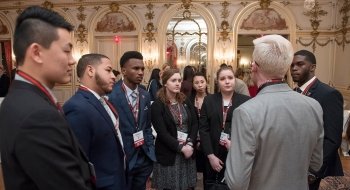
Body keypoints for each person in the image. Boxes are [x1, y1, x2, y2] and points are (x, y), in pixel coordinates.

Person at [0, 6, 94, 190]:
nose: (72, 60)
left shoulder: (19, 98)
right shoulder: (37, 116)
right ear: (36, 52)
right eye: (66, 51)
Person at [225, 35, 324, 190]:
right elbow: (316, 164)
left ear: (254, 67)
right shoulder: (314, 106)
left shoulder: (245, 112)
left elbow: (237, 183)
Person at [63, 53, 127, 190]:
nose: (113, 76)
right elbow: (77, 164)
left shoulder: (101, 101)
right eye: (108, 70)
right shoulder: (77, 108)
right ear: (90, 70)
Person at [291, 49, 344, 190]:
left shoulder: (329, 94)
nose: (294, 68)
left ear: (312, 67)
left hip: (319, 170)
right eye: (292, 65)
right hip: (297, 165)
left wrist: (313, 171)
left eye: (300, 64)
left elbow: (332, 139)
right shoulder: (293, 93)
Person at [108, 51, 156, 190]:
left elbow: (147, 126)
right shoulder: (112, 95)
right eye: (135, 68)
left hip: (143, 158)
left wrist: (149, 150)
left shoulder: (145, 95)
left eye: (142, 69)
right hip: (123, 159)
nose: (141, 72)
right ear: (124, 70)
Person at [199, 66, 250, 187]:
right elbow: (203, 129)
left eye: (230, 78)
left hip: (235, 153)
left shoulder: (246, 101)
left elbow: (248, 131)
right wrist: (210, 156)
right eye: (223, 78)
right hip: (212, 153)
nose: (227, 81)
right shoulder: (209, 100)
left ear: (235, 80)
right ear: (217, 81)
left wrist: (236, 147)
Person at [151, 68, 197, 190]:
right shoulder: (158, 105)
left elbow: (194, 123)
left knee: (187, 186)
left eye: (179, 80)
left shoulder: (185, 100)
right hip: (170, 154)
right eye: (173, 80)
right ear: (165, 83)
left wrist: (190, 143)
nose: (177, 83)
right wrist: (181, 148)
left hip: (187, 151)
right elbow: (162, 133)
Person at [189, 72, 210, 185]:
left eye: (202, 82)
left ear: (206, 83)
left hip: (208, 139)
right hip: (193, 139)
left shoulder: (213, 99)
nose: (200, 85)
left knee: (208, 169)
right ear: (193, 85)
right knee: (194, 168)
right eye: (196, 83)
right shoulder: (189, 100)